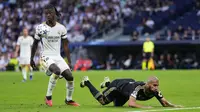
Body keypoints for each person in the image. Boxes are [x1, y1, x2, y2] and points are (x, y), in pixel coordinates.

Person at [30, 4, 79, 107]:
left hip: (57, 57)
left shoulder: (61, 28)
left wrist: (69, 62)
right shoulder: (41, 28)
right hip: (45, 56)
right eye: (46, 13)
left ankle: (68, 100)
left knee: (70, 77)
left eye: (50, 13)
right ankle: (48, 97)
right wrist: (31, 59)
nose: (48, 15)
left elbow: (65, 46)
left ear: (54, 14)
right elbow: (35, 44)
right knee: (56, 71)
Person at [80, 76, 183, 108]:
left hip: (126, 90)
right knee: (103, 101)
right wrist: (145, 107)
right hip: (117, 86)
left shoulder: (155, 91)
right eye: (154, 85)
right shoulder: (138, 88)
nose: (156, 87)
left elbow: (164, 102)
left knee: (117, 106)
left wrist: (175, 106)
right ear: (148, 84)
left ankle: (107, 83)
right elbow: (131, 103)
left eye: (157, 85)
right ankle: (87, 81)